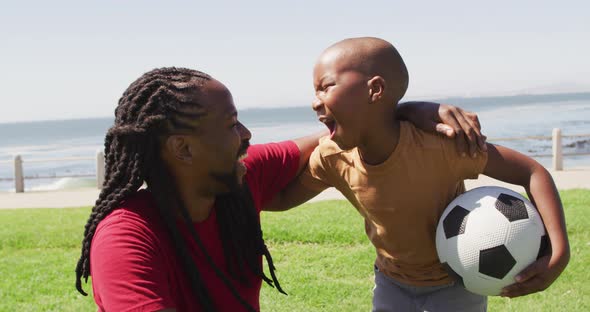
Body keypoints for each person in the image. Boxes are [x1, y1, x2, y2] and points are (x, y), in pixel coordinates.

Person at [74, 67, 487, 311]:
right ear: (183, 148)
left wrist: (408, 111)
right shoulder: (126, 238)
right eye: (231, 124)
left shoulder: (237, 183)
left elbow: (344, 134)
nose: (246, 135)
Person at [268, 37, 570, 312]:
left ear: (375, 89)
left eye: (326, 86)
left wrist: (559, 254)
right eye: (314, 91)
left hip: (457, 285)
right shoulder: (332, 158)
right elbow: (281, 197)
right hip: (390, 284)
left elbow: (533, 172)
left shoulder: (441, 148)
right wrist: (228, 192)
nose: (315, 101)